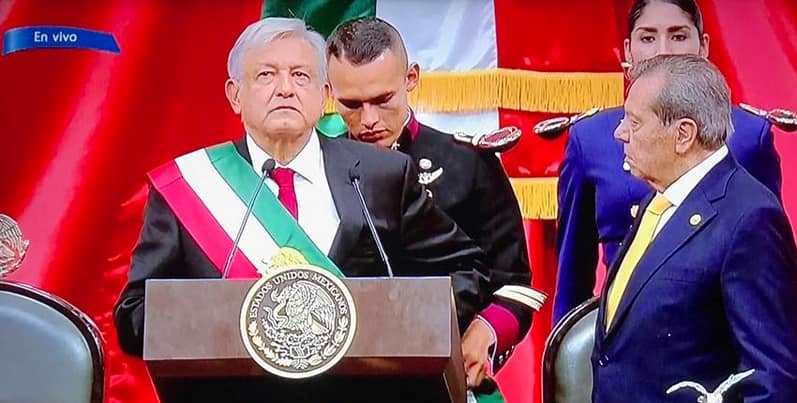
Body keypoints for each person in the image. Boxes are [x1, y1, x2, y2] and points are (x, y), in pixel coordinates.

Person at [114, 17, 494, 402]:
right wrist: (233, 322)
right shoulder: (189, 187)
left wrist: (402, 320)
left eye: (300, 75)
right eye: (266, 75)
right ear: (235, 95)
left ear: (323, 93)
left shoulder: (381, 175)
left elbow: (467, 270)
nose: (285, 89)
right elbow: (135, 315)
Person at [325, 17, 539, 386]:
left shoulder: (468, 162)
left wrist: (486, 330)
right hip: (338, 375)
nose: (369, 119)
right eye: (352, 104)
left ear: (411, 78)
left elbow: (513, 284)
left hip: (441, 368)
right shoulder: (315, 168)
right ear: (329, 92)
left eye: (383, 99)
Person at [554, 0, 783, 322]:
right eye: (648, 38)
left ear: (703, 47)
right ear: (628, 50)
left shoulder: (748, 136)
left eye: (678, 36)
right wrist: (564, 347)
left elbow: (769, 265)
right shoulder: (590, 138)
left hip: (717, 332)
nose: (663, 50)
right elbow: (572, 277)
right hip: (626, 329)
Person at [592, 54, 797, 403]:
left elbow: (773, 380)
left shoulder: (750, 218)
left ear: (683, 134)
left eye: (635, 122)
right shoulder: (658, 200)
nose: (620, 132)